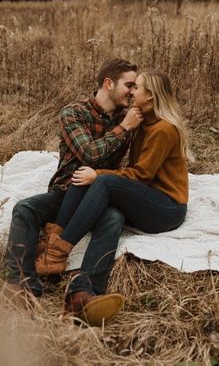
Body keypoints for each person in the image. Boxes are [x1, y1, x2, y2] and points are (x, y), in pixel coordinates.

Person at [36, 69, 190, 325]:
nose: (131, 92)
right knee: (107, 208)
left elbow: (140, 175)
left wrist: (99, 175)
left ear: (150, 96)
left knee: (100, 179)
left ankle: (57, 252)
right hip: (146, 198)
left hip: (166, 208)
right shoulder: (143, 123)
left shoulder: (163, 130)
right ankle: (84, 292)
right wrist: (94, 174)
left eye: (137, 88)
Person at [4, 58, 142, 317]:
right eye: (129, 85)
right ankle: (21, 287)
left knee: (114, 218)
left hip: (102, 195)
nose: (133, 92)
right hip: (67, 191)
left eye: (136, 86)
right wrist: (123, 129)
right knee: (24, 208)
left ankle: (83, 295)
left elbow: (134, 164)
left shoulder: (128, 119)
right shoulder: (73, 113)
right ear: (108, 83)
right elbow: (88, 154)